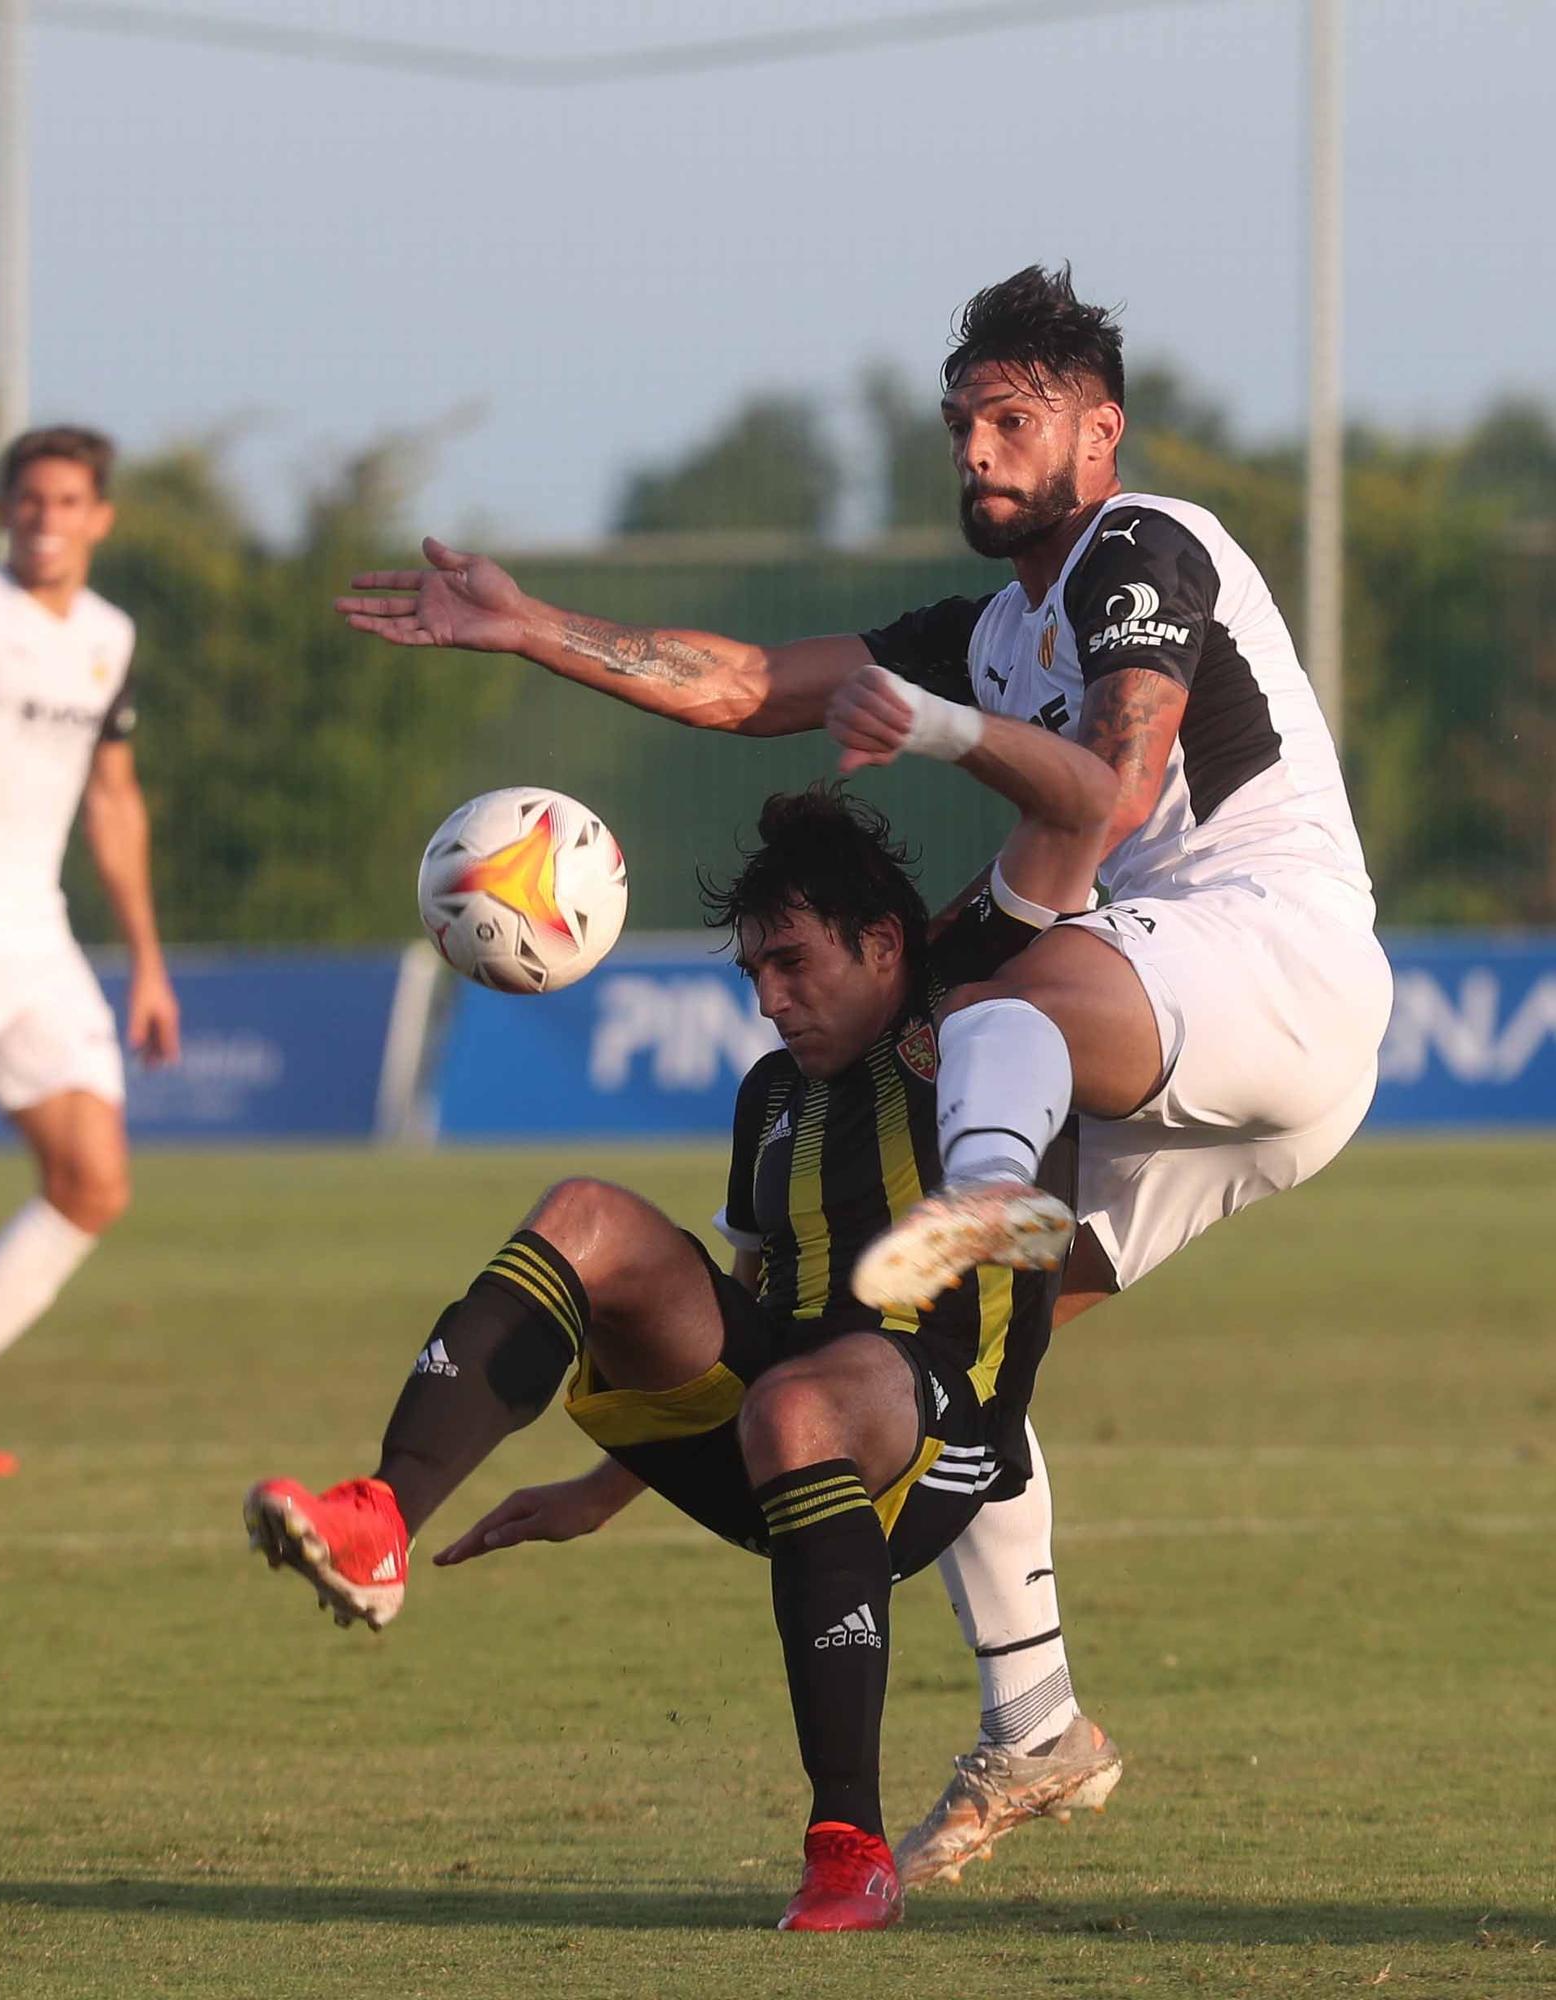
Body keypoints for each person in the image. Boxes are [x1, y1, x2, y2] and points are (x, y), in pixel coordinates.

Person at [333, 264, 1392, 1884]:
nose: (977, 447)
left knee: (978, 1028)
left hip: (1266, 961)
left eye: (1013, 419)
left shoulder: (1138, 550)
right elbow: (757, 686)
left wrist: (959, 932)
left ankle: (969, 1180)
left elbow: (1118, 786)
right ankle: (1037, 1725)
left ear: (1098, 435)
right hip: (1194, 1048)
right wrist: (533, 627)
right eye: (962, 420)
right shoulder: (986, 628)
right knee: (962, 1350)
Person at [246, 734, 1117, 1933]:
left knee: (798, 1401)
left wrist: (930, 714)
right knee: (588, 1214)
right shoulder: (771, 1097)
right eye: (755, 968)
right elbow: (749, 1300)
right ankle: (382, 1517)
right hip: (785, 1411)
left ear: (882, 945)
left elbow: (1074, 825)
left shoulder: (967, 1025)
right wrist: (605, 1489)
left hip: (939, 1439)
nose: (768, 995)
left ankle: (849, 1847)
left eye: (793, 962)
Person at [0, 427, 180, 1475]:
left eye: (66, 501)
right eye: (28, 500)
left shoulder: (109, 634)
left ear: (99, 517)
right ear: (1, 509)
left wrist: (145, 960)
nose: (46, 518)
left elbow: (112, 797)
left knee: (92, 1180)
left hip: (36, 934)